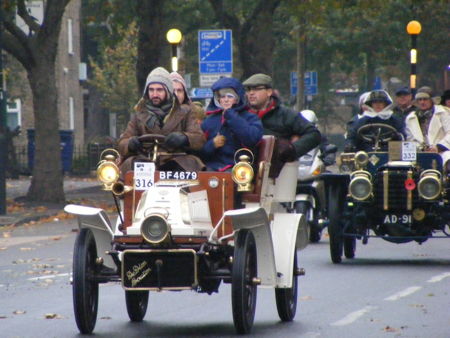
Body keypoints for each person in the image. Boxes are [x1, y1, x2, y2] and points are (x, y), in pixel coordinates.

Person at [118, 67, 205, 173]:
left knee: (192, 163)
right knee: (126, 167)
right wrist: (130, 143)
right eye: (151, 90)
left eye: (159, 90)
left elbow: (199, 138)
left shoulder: (185, 111)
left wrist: (184, 138)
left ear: (168, 91)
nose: (154, 94)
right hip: (145, 161)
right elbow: (122, 142)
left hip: (176, 160)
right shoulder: (139, 114)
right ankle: (127, 189)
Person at [242, 73, 321, 167]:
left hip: (278, 171)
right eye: (248, 89)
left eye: (256, 89)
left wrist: (291, 150)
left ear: (269, 92)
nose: (251, 93)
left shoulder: (286, 115)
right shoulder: (241, 115)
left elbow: (313, 134)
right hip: (244, 171)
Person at [200, 77, 263, 171]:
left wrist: (231, 116)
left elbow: (252, 139)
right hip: (212, 168)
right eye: (222, 96)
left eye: (230, 96)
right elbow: (198, 151)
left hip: (240, 168)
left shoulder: (250, 118)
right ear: (218, 99)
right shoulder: (209, 121)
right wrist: (212, 144)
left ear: (237, 98)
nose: (226, 100)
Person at [405, 88, 450, 170]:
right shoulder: (410, 118)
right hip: (420, 152)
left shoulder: (443, 113)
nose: (422, 102)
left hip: (442, 151)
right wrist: (422, 149)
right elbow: (410, 140)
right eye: (419, 99)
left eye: (425, 99)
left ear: (432, 100)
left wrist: (438, 147)